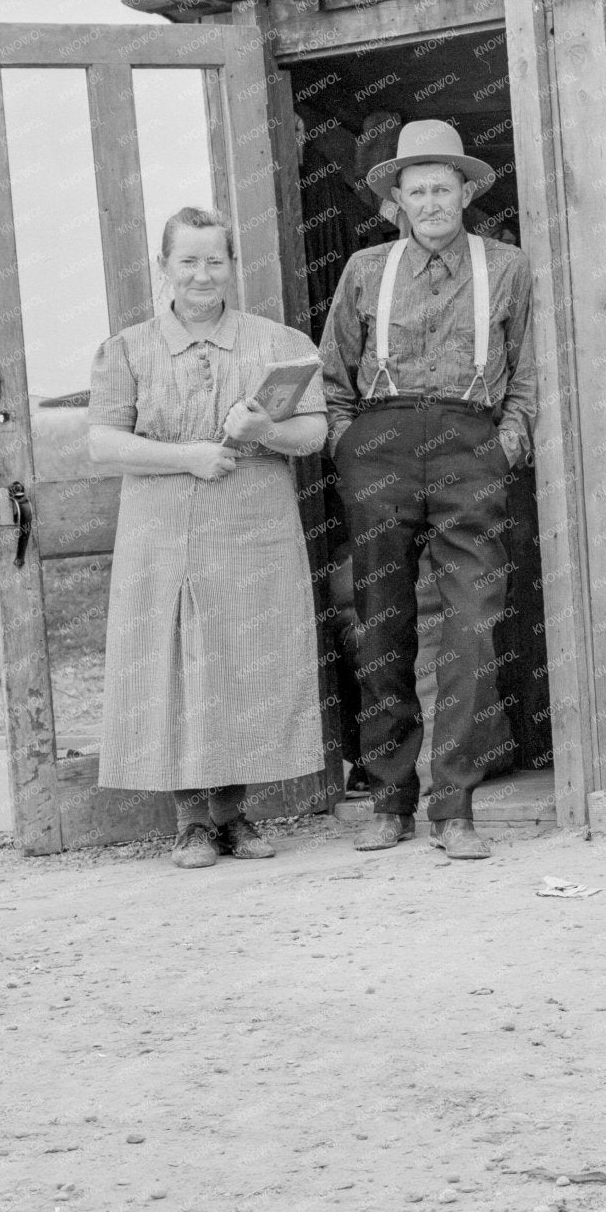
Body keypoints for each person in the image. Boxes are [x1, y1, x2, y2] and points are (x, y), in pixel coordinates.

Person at [317, 120, 537, 860]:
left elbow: (530, 373)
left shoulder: (507, 266)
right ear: (397, 200)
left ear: (467, 192)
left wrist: (504, 446)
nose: (433, 200)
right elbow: (332, 377)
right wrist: (347, 445)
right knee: (382, 623)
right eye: (418, 189)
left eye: (445, 186)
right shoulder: (364, 269)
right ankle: (388, 799)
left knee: (473, 626)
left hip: (470, 446)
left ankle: (457, 807)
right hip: (379, 445)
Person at [87, 207, 329, 869]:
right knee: (175, 659)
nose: (201, 274)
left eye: (214, 260)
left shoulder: (278, 343)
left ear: (232, 266)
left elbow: (312, 434)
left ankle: (234, 813)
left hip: (253, 528)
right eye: (187, 261)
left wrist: (263, 434)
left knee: (243, 657)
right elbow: (103, 444)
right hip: (163, 532)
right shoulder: (129, 349)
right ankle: (190, 820)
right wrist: (189, 456)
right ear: (164, 267)